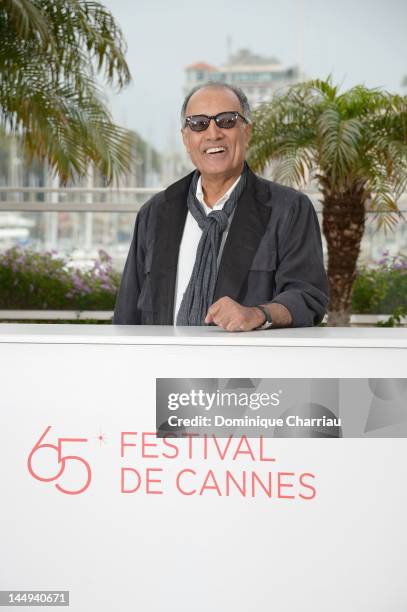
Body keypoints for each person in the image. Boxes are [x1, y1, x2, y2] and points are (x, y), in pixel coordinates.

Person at [113, 83, 328, 331]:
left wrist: (258, 314)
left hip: (246, 365)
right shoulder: (155, 213)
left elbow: (308, 295)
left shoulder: (289, 209)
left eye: (226, 121)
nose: (213, 133)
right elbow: (127, 314)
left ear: (246, 131)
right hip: (163, 365)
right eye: (198, 123)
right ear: (186, 138)